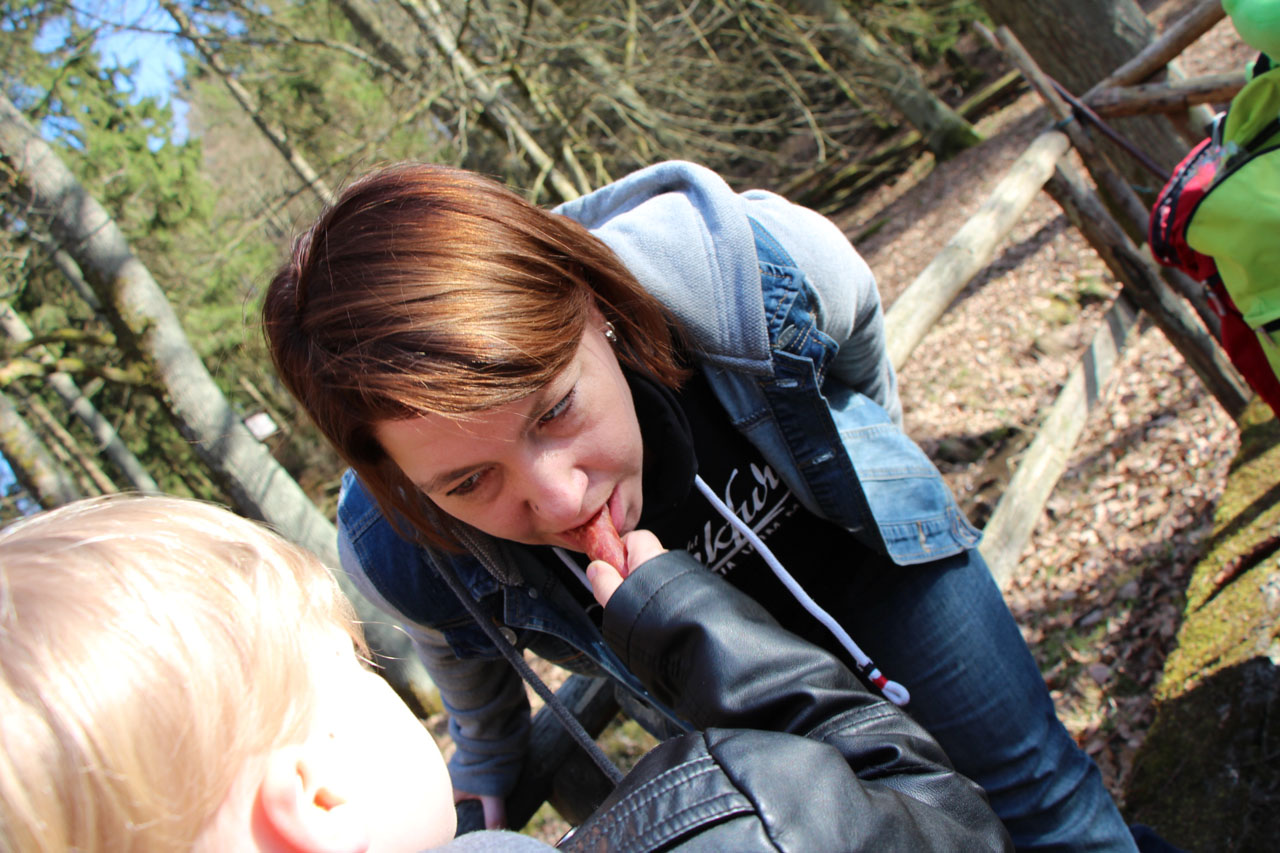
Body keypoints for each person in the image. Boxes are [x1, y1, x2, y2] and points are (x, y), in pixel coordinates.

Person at [263, 160, 1135, 850]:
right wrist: (490, 753)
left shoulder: (738, 265)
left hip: (877, 567)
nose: (562, 495)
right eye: (468, 482)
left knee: (1045, 801)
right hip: (725, 677)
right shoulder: (397, 548)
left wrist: (871, 466)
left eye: (555, 409)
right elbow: (458, 647)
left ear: (594, 308)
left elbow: (855, 343)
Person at [0, 494, 1010, 851]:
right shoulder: (730, 826)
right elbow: (940, 816)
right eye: (355, 667)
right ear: (315, 798)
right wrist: (687, 620)